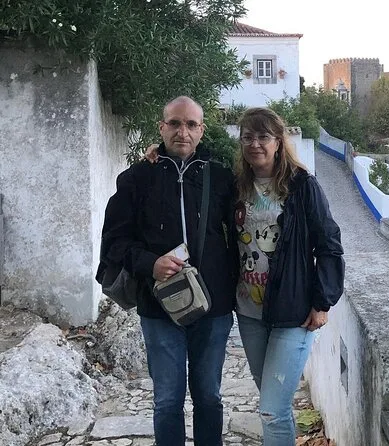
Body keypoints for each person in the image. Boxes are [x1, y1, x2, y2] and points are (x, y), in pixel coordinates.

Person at [98, 96, 238, 446]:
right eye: (174, 123)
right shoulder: (136, 179)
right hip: (158, 306)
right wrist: (151, 263)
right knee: (167, 401)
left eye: (191, 124)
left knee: (209, 397)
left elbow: (244, 233)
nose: (182, 132)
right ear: (161, 128)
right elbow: (114, 241)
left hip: (213, 307)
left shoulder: (221, 178)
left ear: (202, 130)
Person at [234, 107, 345, 445]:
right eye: (248, 137)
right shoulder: (235, 186)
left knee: (271, 409)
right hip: (249, 312)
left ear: (279, 142)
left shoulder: (301, 186)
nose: (255, 144)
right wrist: (157, 153)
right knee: (275, 404)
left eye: (263, 136)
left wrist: (322, 302)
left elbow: (329, 243)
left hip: (293, 311)